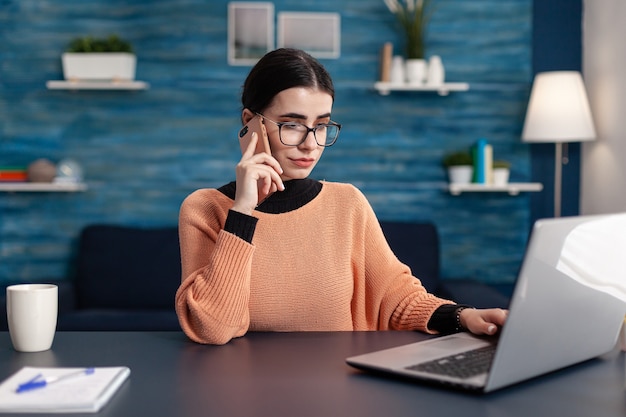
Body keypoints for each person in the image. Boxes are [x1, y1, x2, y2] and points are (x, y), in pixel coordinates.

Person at [175, 48, 507, 345]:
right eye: (292, 125)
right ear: (251, 124)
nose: (311, 143)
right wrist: (244, 211)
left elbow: (397, 298)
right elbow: (213, 327)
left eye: (321, 126)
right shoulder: (205, 210)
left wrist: (463, 316)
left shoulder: (346, 204)